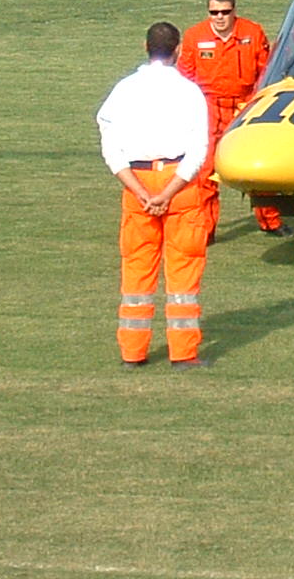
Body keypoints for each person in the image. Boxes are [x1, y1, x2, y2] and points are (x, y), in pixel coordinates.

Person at [96, 22, 213, 368]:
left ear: (144, 46)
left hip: (137, 183)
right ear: (178, 49)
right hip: (180, 186)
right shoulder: (190, 92)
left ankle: (133, 352)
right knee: (184, 274)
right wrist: (169, 190)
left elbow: (110, 147)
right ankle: (183, 353)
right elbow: (199, 150)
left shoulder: (123, 90)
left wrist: (139, 190)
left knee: (136, 272)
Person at [178, 0, 281, 238]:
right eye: (214, 13)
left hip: (245, 105)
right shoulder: (195, 36)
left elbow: (265, 72)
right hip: (210, 107)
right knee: (205, 172)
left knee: (258, 167)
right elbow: (185, 77)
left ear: (234, 11)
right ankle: (206, 229)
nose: (220, 17)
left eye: (225, 12)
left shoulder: (252, 33)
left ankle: (271, 221)